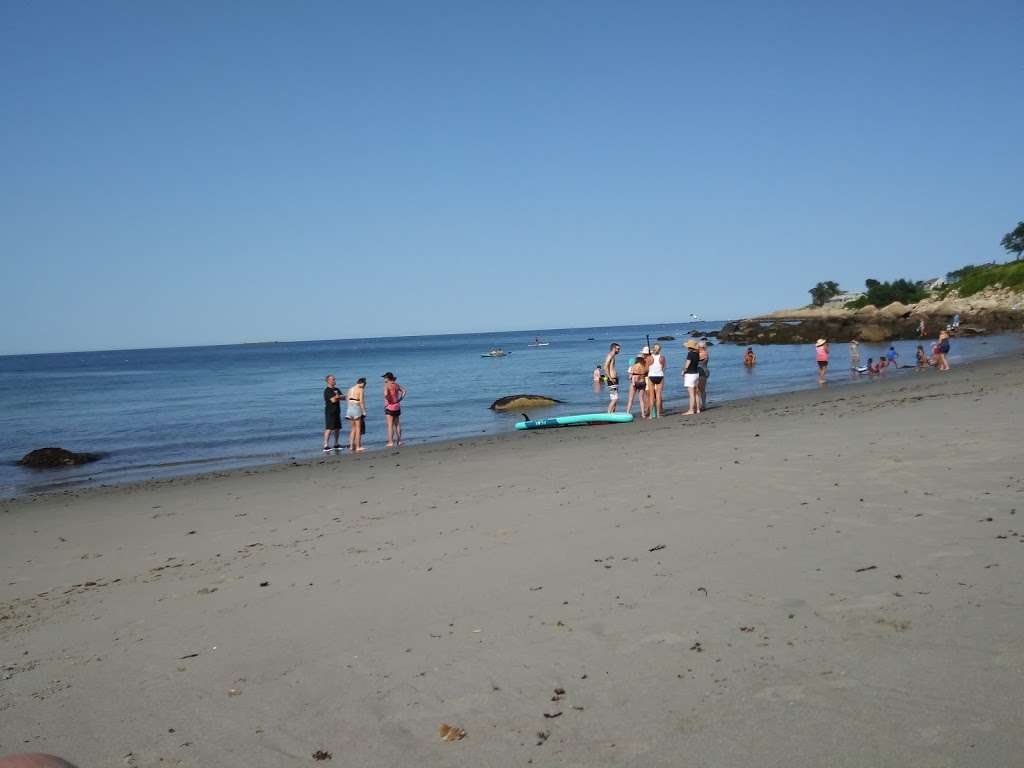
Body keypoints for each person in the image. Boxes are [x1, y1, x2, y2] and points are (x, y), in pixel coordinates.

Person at [382, 372, 406, 448]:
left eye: (385, 378)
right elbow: (404, 391)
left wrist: (389, 401)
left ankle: (390, 442)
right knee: (397, 424)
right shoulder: (396, 385)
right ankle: (399, 441)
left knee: (390, 425)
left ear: (388, 378)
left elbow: (386, 395)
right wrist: (400, 399)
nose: (384, 379)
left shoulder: (386, 385)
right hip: (397, 406)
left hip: (389, 406)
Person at [346, 377, 367, 452]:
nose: (364, 386)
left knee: (352, 429)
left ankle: (351, 446)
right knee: (358, 428)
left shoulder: (350, 389)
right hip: (356, 408)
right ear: (362, 383)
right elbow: (361, 401)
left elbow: (347, 400)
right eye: (364, 384)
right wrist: (364, 411)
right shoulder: (361, 389)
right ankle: (358, 446)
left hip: (349, 409)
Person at [625, 353, 649, 418]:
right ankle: (643, 414)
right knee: (641, 399)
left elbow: (630, 377)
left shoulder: (634, 366)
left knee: (631, 399)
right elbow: (647, 374)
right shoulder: (645, 366)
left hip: (635, 383)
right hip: (643, 383)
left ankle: (627, 413)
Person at [323, 374, 343, 452]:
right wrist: (338, 397)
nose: (335, 381)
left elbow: (343, 397)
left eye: (335, 379)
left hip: (337, 411)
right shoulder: (327, 391)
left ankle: (336, 444)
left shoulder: (337, 389)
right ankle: (326, 445)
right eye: (333, 379)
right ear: (328, 381)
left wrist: (338, 397)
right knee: (329, 428)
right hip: (329, 412)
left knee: (337, 428)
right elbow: (333, 400)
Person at [682, 340, 701, 415]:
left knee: (691, 394)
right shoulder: (697, 354)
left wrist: (683, 371)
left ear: (689, 347)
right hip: (696, 373)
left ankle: (691, 410)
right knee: (696, 392)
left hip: (690, 374)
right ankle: (698, 409)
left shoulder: (690, 354)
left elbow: (687, 364)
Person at [647, 343, 666, 417]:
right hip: (660, 376)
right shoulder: (662, 357)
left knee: (651, 396)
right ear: (660, 350)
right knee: (658, 395)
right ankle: (658, 414)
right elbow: (663, 367)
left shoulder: (649, 357)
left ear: (653, 349)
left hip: (651, 376)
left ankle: (651, 415)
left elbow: (647, 367)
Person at [604, 342, 621, 413]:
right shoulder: (610, 355)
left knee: (615, 398)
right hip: (612, 380)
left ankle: (613, 413)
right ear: (614, 348)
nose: (619, 350)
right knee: (615, 399)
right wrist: (610, 378)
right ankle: (608, 413)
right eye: (618, 349)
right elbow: (605, 367)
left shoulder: (613, 356)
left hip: (614, 379)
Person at [697, 341, 710, 408]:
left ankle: (703, 405)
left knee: (701, 389)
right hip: (702, 371)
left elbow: (698, 361)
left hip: (703, 372)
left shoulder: (703, 353)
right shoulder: (701, 353)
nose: (697, 348)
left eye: (698, 347)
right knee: (699, 389)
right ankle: (701, 404)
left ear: (701, 347)